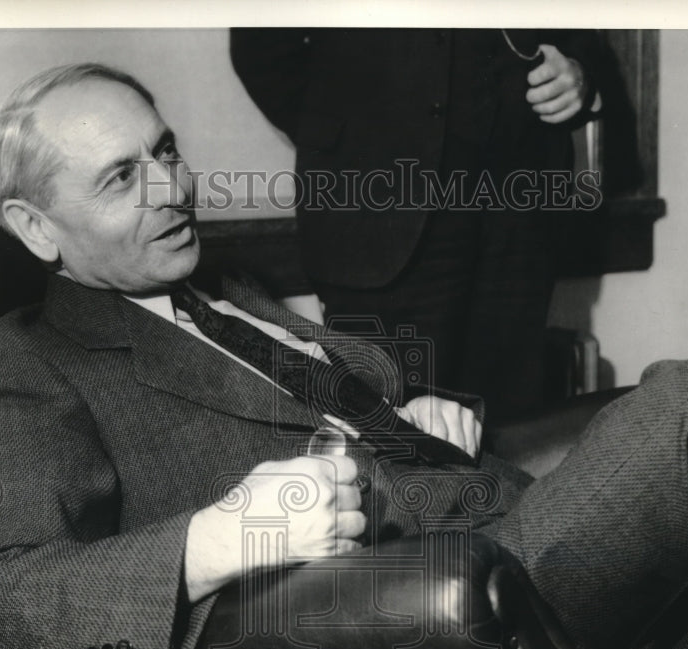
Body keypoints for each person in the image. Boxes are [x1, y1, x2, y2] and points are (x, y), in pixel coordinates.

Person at [0, 64, 688, 649]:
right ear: (35, 227)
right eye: (121, 178)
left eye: (165, 151)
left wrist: (419, 406)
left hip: (513, 529)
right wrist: (218, 539)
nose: (172, 188)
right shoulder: (31, 359)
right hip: (425, 613)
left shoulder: (222, 290)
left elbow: (345, 398)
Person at [230, 29, 604, 423]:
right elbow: (262, 51)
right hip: (378, 218)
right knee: (391, 448)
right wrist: (347, 142)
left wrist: (582, 73)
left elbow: (584, 30)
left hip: (521, 216)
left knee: (514, 440)